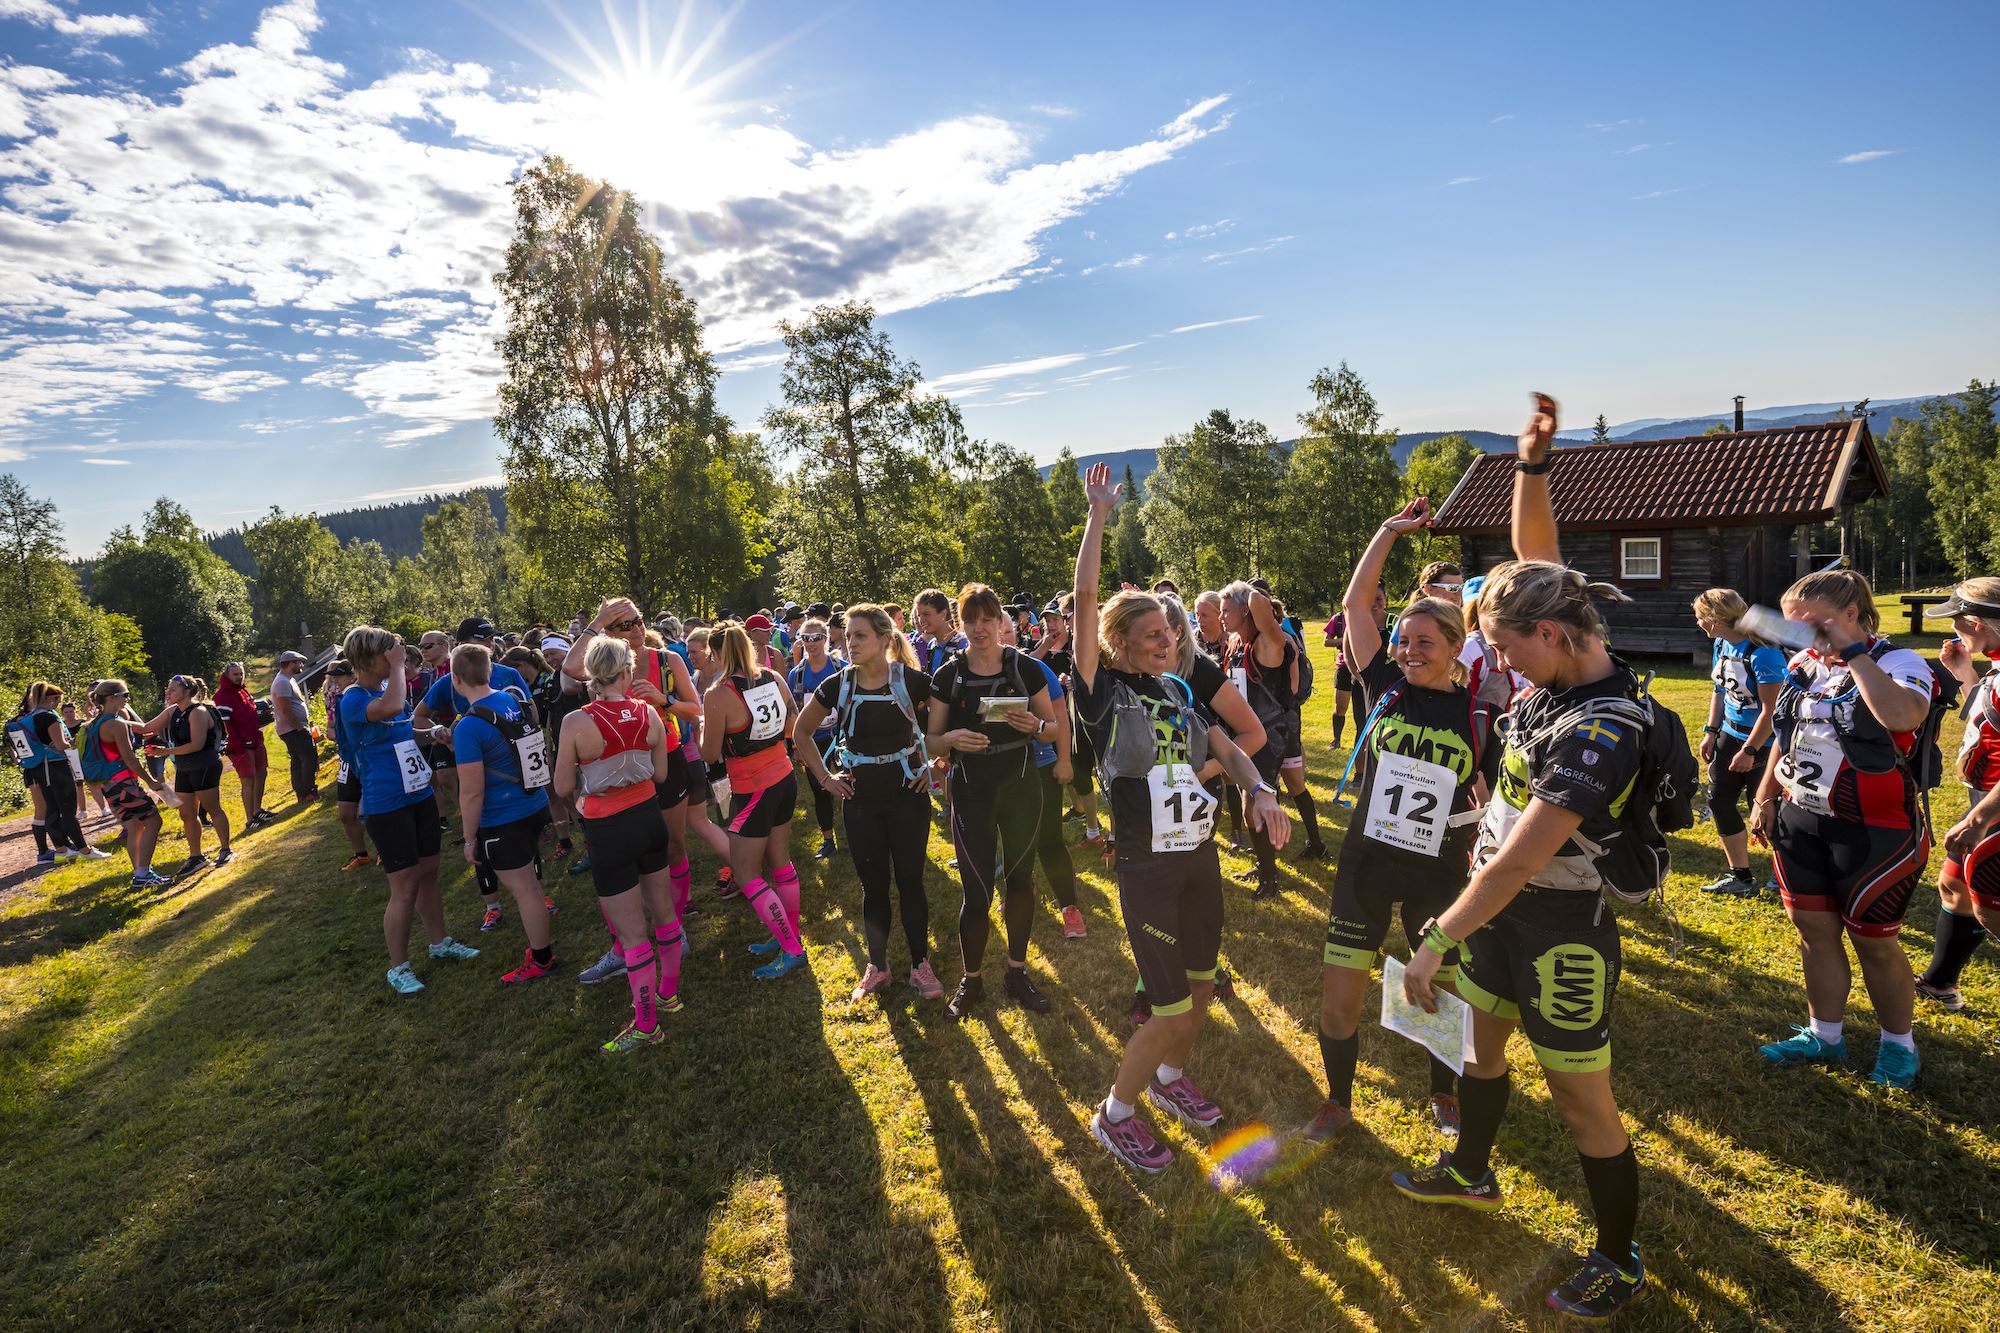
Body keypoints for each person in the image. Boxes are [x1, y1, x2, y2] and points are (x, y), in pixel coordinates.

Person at [1393, 394, 1651, 1320]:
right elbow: (1539, 563)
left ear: (1552, 635)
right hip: (1502, 914)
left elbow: (1516, 863)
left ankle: (1618, 1258)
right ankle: (1470, 1170)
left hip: (1560, 921)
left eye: (1506, 650)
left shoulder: (1603, 726)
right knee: (1481, 1044)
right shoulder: (1556, 644)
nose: (1500, 666)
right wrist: (1531, 465)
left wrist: (1434, 939)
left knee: (1583, 1102)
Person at [1071, 462, 1290, 1173]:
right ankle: (1115, 1113)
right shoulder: (1101, 692)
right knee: (1166, 1008)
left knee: (1201, 989)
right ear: (1118, 642)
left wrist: (1260, 789)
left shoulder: (1174, 689)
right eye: (1147, 634)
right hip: (1147, 867)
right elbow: (1084, 600)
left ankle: (1168, 1079)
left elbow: (1226, 746)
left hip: (1199, 855)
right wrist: (1099, 516)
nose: (1164, 641)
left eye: (1166, 631)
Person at [1306, 498, 1500, 1145]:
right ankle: (1337, 1100)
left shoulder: (1478, 714)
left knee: (1435, 993)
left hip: (1438, 871)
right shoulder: (1383, 685)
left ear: (1454, 648)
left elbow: (1492, 798)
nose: (1408, 650)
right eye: (1403, 640)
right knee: (1340, 998)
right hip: (1367, 861)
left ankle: (1442, 1093)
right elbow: (1356, 604)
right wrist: (1387, 530)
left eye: (1424, 642)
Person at [1752, 569, 1939, 1090]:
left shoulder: (1899, 662)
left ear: (1852, 614)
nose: (1803, 636)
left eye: (1813, 625)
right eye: (1793, 625)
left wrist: (1853, 653)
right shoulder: (1803, 664)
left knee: (1875, 942)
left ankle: (1898, 1046)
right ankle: (1825, 1035)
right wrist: (1766, 795)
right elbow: (1785, 736)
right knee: (1813, 931)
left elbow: (1902, 717)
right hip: (1801, 819)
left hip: (1874, 830)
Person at [796, 604, 946, 1001]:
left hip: (907, 798)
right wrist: (825, 778)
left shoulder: (912, 681)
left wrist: (937, 765)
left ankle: (920, 965)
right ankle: (878, 967)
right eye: (848, 636)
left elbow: (947, 726)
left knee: (911, 882)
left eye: (860, 636)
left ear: (883, 638)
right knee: (873, 886)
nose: (851, 643)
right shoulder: (838, 684)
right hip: (860, 801)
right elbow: (801, 731)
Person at [927, 584, 1065, 1019]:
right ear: (960, 623)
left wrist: (1033, 725)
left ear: (1000, 622)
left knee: (1020, 881)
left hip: (1021, 785)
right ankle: (971, 981)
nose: (979, 628)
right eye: (971, 620)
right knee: (976, 891)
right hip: (972, 788)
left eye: (987, 619)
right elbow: (931, 741)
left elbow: (1053, 730)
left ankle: (1016, 973)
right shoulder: (948, 675)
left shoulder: (1025, 667)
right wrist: (951, 738)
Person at [564, 598, 704, 985]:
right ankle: (623, 947)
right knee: (624, 862)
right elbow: (570, 668)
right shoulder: (603, 664)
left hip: (666, 760)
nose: (637, 629)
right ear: (609, 633)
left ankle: (673, 927)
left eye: (638, 621)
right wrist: (597, 619)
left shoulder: (666, 659)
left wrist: (663, 701)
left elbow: (696, 708)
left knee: (672, 847)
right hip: (619, 775)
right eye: (624, 625)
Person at [554, 635, 684, 1052]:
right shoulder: (649, 712)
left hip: (608, 830)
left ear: (592, 674)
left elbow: (562, 785)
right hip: (649, 820)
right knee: (665, 916)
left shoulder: (576, 721)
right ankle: (669, 995)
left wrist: (592, 786)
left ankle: (647, 1026)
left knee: (632, 936)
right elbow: (661, 775)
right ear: (627, 671)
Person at [340, 626, 477, 995]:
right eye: (388, 653)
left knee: (428, 873)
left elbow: (400, 728)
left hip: (418, 793)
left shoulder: (385, 688)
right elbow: (392, 709)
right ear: (370, 657)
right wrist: (400, 665)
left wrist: (431, 733)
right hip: (387, 803)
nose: (394, 658)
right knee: (404, 887)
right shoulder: (354, 698)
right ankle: (398, 967)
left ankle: (439, 942)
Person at [702, 621, 809, 980]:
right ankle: (789, 936)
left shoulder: (718, 693)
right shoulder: (773, 677)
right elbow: (793, 723)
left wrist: (705, 729)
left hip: (754, 786)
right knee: (781, 862)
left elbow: (709, 753)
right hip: (783, 776)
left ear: (716, 653)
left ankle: (792, 949)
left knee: (746, 872)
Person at [450, 643, 559, 984]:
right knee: (531, 885)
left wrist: (469, 839)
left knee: (525, 891)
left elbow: (471, 791)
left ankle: (541, 958)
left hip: (502, 816)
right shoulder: (513, 700)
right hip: (533, 803)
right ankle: (540, 951)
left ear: (455, 679)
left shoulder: (468, 726)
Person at [1919, 580, 2000, 1010]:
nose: (1951, 629)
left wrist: (1977, 820)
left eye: (1956, 621)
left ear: (1977, 623)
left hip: (1992, 810)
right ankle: (1940, 982)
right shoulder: (1996, 667)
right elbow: (1987, 719)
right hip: (1986, 803)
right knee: (1955, 887)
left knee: (1993, 911)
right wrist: (1966, 674)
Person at [1223, 580, 1324, 895]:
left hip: (1269, 735)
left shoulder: (1268, 642)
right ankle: (1265, 868)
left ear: (1245, 610)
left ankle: (1270, 879)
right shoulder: (1236, 643)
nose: (1222, 616)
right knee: (1249, 806)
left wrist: (1246, 590)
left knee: (1256, 804)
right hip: (1247, 732)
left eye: (1227, 610)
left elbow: (1258, 602)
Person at [1693, 588, 1787, 897]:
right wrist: (1711, 731)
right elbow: (1719, 690)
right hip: (1729, 735)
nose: (1697, 623)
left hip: (1764, 743)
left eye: (1700, 617)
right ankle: (1741, 877)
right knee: (1719, 802)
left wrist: (1750, 750)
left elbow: (1771, 711)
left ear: (1716, 619)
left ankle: (1783, 875)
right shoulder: (1722, 643)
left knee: (1766, 808)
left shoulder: (1764, 653)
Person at [1007, 611, 1083, 938]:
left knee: (1050, 839)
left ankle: (1070, 907)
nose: (1001, 639)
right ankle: (1022, 892)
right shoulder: (971, 672)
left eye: (1006, 632)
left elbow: (1061, 718)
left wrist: (1064, 759)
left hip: (1040, 764)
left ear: (1015, 634)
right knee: (1013, 839)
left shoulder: (1034, 668)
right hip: (1000, 771)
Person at [79, 679, 170, 887]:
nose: (128, 699)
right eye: (125, 695)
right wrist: (151, 781)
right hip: (123, 783)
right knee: (154, 821)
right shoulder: (115, 724)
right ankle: (143, 874)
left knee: (134, 827)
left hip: (107, 785)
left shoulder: (93, 724)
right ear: (112, 698)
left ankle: (139, 874)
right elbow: (129, 757)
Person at [142, 675, 234, 878]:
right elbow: (146, 728)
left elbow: (196, 745)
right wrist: (112, 718)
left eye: (173, 689)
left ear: (187, 691)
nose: (168, 693)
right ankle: (196, 857)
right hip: (184, 768)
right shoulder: (172, 710)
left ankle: (226, 849)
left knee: (212, 808)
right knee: (186, 814)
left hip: (204, 765)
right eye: (168, 689)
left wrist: (164, 751)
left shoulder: (198, 712)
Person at [788, 618, 846, 860]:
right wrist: (796, 745)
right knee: (820, 789)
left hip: (840, 737)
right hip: (813, 740)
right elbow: (793, 712)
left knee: (851, 783)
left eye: (816, 638)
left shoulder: (842, 667)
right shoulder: (796, 675)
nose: (811, 643)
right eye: (806, 638)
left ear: (826, 639)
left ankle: (857, 830)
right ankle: (828, 840)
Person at [15, 682, 93, 862]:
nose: (59, 702)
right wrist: (71, 743)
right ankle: (81, 849)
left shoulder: (26, 718)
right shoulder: (48, 717)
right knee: (63, 810)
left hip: (36, 767)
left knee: (49, 809)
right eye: (58, 698)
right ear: (49, 698)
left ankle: (61, 849)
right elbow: (60, 745)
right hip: (55, 766)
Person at [323, 660, 373, 871]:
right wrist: (341, 736)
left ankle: (385, 850)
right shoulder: (339, 700)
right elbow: (329, 729)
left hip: (367, 758)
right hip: (346, 760)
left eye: (339, 677)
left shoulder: (364, 696)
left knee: (373, 809)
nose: (335, 682)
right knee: (345, 813)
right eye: (333, 677)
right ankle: (361, 854)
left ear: (354, 676)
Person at [214, 661, 273, 829]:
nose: (239, 677)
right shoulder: (222, 696)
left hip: (255, 740)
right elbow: (226, 725)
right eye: (235, 674)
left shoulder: (243, 691)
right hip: (240, 746)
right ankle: (250, 819)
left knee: (261, 774)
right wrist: (238, 745)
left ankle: (257, 810)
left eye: (241, 674)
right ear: (227, 675)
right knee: (248, 780)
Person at [7, 687, 58, 863]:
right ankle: (44, 851)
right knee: (43, 808)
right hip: (39, 768)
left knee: (49, 807)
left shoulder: (20, 720)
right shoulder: (29, 719)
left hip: (35, 767)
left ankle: (58, 847)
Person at [269, 650, 320, 806]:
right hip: (293, 729)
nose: (302, 665)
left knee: (298, 760)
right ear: (291, 663)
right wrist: (299, 727)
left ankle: (302, 793)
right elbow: (285, 709)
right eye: (300, 663)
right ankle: (308, 792)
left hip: (293, 728)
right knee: (308, 758)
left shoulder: (287, 680)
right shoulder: (282, 682)